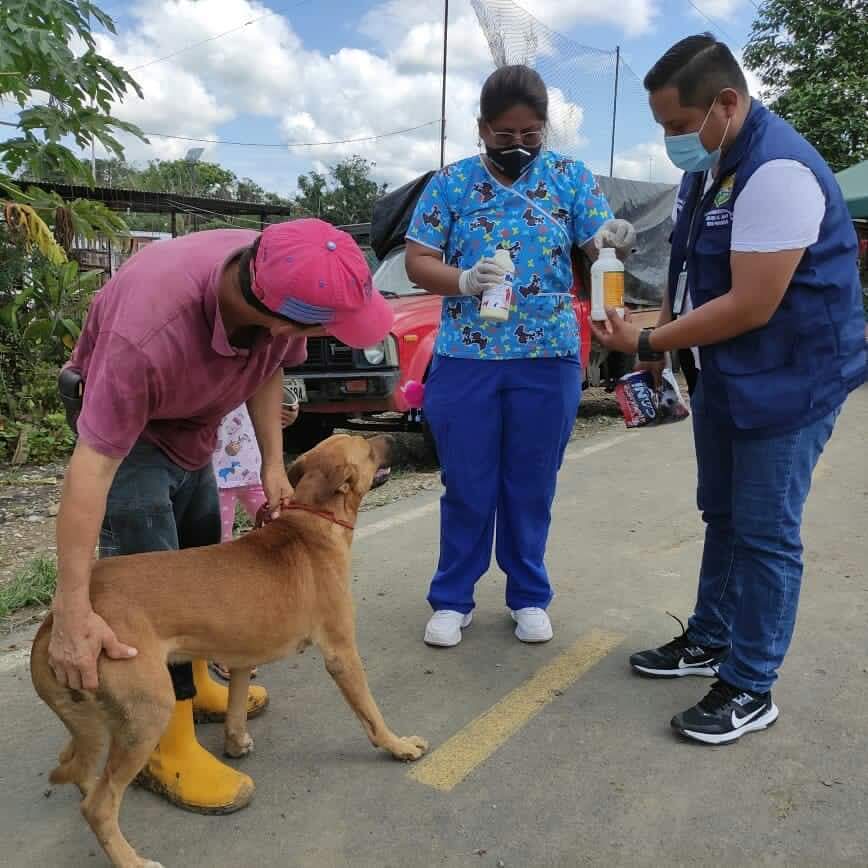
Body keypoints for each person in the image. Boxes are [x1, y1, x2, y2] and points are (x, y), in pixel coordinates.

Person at [50, 219, 393, 812]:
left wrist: (271, 463)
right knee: (155, 594)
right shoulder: (145, 335)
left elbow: (268, 366)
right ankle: (164, 745)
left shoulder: (279, 270)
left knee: (206, 561)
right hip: (130, 440)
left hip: (195, 429)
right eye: (320, 329)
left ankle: (197, 685)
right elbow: (90, 473)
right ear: (282, 318)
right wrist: (72, 611)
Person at [592, 35, 866, 744]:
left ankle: (751, 684)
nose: (672, 141)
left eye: (679, 125)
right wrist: (661, 345)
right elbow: (687, 271)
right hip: (727, 372)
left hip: (792, 377)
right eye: (663, 127)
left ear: (726, 102)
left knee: (766, 532)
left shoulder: (778, 172)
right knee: (723, 514)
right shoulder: (710, 167)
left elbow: (751, 304)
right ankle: (710, 639)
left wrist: (647, 343)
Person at [405, 65, 636, 648]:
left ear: (545, 128)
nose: (518, 145)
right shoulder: (452, 184)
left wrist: (612, 241)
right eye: (505, 135)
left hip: (548, 355)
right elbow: (418, 260)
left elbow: (598, 249)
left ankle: (529, 595)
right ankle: (452, 598)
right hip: (466, 356)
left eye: (531, 134)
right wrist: (463, 280)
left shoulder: (570, 178)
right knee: (467, 481)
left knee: (531, 483)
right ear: (482, 128)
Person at [209, 399, 299, 682]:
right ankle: (223, 645)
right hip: (212, 476)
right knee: (218, 562)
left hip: (257, 470)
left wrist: (288, 409)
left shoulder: (249, 373)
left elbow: (271, 397)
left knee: (287, 535)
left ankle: (283, 619)